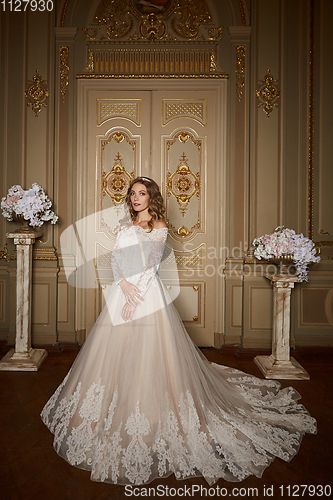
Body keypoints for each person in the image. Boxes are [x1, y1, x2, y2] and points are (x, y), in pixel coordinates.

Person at [41, 177, 316, 486]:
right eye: (132, 193)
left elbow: (150, 267)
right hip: (124, 292)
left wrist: (135, 298)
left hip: (147, 297)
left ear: (151, 197)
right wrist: (124, 286)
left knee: (155, 358)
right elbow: (117, 259)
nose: (136, 198)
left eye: (142, 193)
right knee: (111, 359)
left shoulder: (158, 226)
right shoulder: (125, 223)